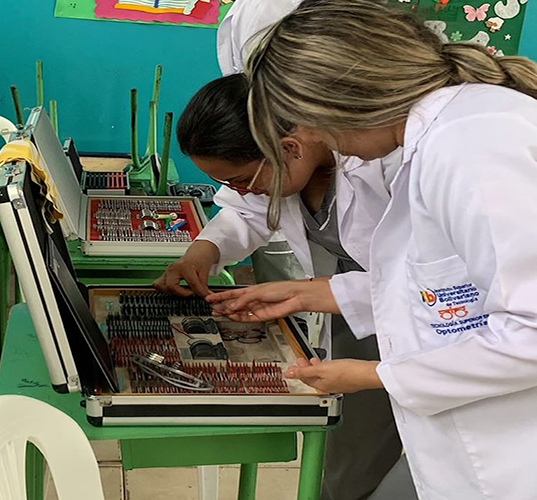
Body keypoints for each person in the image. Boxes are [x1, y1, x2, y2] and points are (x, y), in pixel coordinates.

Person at [208, 0, 537, 498]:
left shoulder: (469, 143)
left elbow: (529, 330)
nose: (313, 140)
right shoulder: (440, 136)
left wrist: (376, 374)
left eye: (307, 123)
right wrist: (312, 293)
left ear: (343, 101)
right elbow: (449, 291)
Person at [155, 73, 413, 500]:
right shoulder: (287, 170)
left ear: (290, 148)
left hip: (439, 322)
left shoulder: (388, 162)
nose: (238, 192)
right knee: (353, 452)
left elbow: (434, 285)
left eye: (240, 178)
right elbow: (248, 208)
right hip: (358, 313)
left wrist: (308, 293)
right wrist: (203, 251)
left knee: (431, 457)